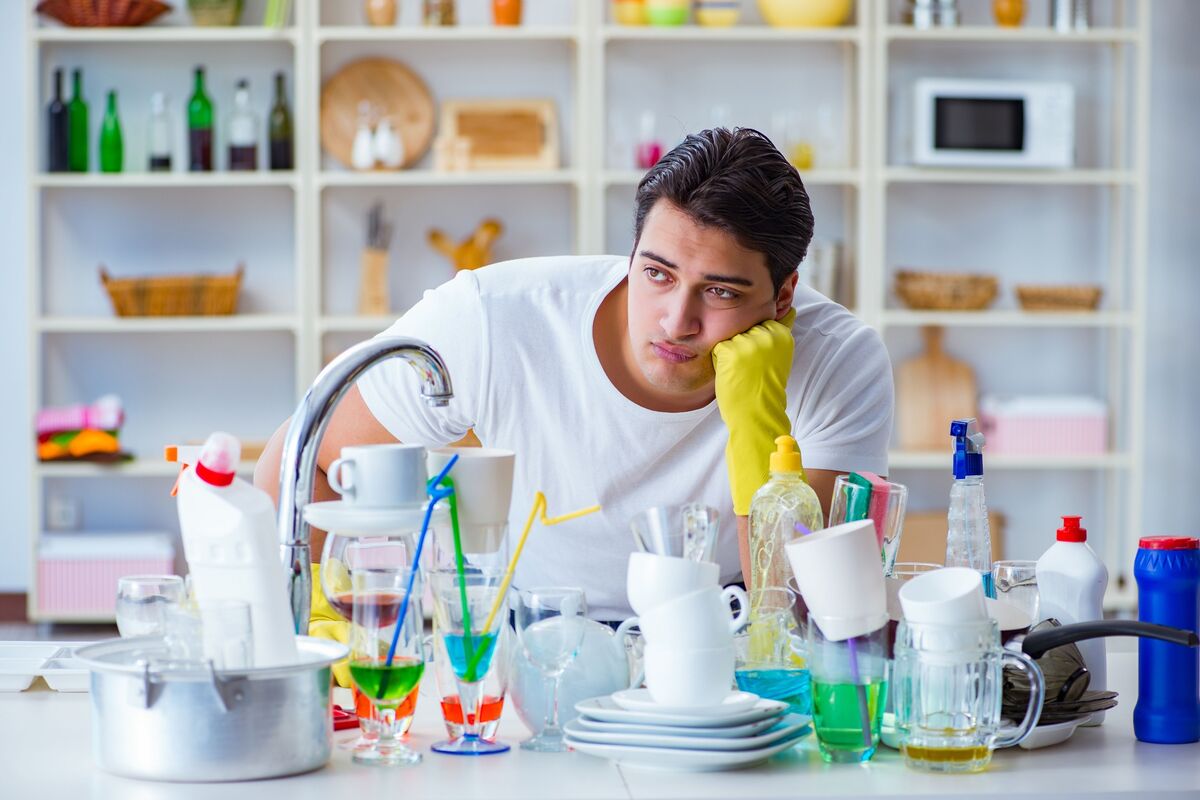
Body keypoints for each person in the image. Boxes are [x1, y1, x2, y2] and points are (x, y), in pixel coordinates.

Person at [255, 127, 893, 626]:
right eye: (657, 273)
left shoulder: (839, 359)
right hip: (524, 646)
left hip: (720, 653)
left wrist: (757, 420)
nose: (676, 321)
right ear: (633, 253)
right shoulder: (494, 319)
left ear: (783, 297)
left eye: (720, 292)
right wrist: (314, 630)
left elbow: (808, 617)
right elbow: (295, 460)